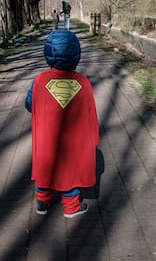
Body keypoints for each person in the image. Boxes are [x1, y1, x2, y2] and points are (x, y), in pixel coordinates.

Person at [25, 30, 100, 218]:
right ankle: (71, 207)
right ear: (76, 54)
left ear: (48, 53)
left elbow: (29, 104)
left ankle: (42, 203)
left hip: (46, 136)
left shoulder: (39, 81)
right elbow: (89, 112)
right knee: (71, 169)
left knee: (45, 165)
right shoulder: (82, 82)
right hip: (73, 138)